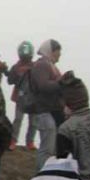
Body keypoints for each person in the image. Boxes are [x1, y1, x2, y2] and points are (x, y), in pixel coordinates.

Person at [27, 39, 65, 170]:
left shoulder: (49, 65)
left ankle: (46, 174)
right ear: (51, 51)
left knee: (51, 147)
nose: (59, 54)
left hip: (50, 111)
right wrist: (61, 82)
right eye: (58, 51)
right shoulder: (42, 65)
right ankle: (41, 175)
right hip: (44, 110)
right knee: (47, 148)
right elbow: (42, 85)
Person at [6, 41, 37, 150]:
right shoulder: (16, 67)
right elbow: (10, 80)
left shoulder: (36, 66)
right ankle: (13, 141)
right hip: (20, 96)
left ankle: (30, 142)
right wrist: (14, 74)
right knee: (18, 120)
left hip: (33, 97)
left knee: (33, 121)